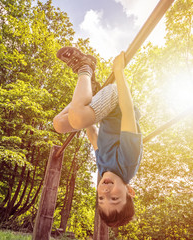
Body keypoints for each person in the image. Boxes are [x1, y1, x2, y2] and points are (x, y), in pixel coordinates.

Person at [53, 47, 143, 227]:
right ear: (129, 191)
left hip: (103, 112)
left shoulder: (104, 170)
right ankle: (85, 67)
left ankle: (90, 89)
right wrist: (119, 72)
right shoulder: (128, 162)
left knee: (58, 124)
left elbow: (94, 135)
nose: (106, 190)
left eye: (102, 197)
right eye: (115, 197)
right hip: (117, 101)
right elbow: (127, 112)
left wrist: (81, 117)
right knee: (78, 118)